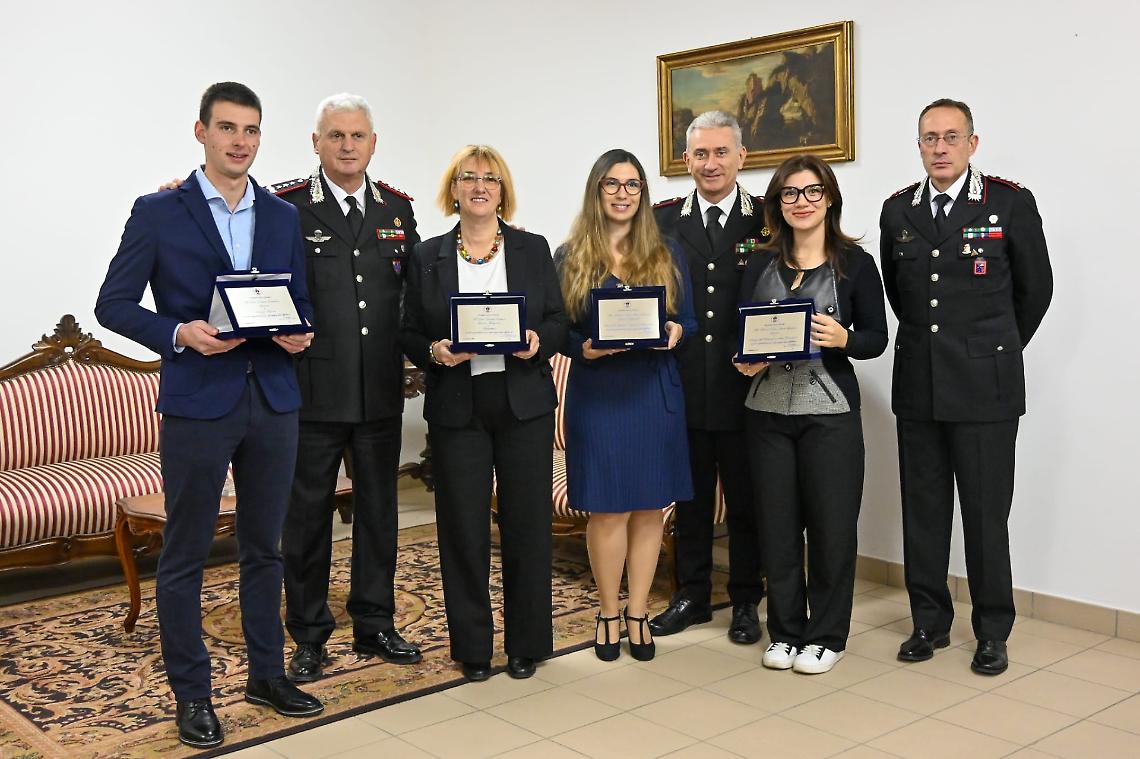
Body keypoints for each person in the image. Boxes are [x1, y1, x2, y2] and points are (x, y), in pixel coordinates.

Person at [95, 82, 322, 749]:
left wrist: (299, 332)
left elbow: (301, 304)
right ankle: (192, 695)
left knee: (265, 548)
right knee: (187, 554)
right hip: (198, 399)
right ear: (201, 132)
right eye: (227, 128)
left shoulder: (281, 216)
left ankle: (267, 675)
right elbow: (114, 304)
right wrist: (178, 333)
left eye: (251, 130)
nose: (240, 141)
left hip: (274, 397)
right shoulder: (160, 210)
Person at [880, 98, 1052, 675]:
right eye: (929, 138)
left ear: (972, 144)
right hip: (920, 387)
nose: (940, 148)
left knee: (984, 515)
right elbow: (902, 299)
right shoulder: (897, 211)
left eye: (951, 137)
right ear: (919, 144)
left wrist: (993, 349)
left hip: (986, 388)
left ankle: (992, 630)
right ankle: (928, 622)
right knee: (923, 511)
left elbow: (1035, 291)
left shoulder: (1008, 202)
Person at [399, 145, 568, 682]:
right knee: (463, 530)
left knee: (527, 527)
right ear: (453, 190)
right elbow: (407, 329)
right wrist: (434, 351)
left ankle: (527, 643)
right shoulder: (426, 256)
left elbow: (560, 320)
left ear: (503, 191)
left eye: (490, 179)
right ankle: (472, 648)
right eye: (468, 178)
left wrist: (538, 340)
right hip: (457, 406)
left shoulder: (533, 248)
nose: (479, 186)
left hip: (523, 404)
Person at [271, 94, 422, 681]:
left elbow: (415, 295)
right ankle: (308, 633)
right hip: (313, 391)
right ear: (316, 143)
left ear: (373, 142)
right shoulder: (287, 207)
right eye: (335, 136)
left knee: (380, 513)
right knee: (306, 518)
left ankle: (375, 621)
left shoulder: (397, 209)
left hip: (381, 389)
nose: (347, 146)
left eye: (357, 136)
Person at [737, 155, 887, 674]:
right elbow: (741, 339)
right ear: (777, 204)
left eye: (811, 191)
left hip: (830, 414)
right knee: (776, 526)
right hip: (766, 413)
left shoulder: (856, 264)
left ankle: (827, 635)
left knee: (831, 526)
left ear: (829, 198)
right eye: (790, 193)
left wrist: (844, 338)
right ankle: (784, 631)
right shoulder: (758, 264)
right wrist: (744, 359)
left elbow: (877, 338)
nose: (801, 202)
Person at [556, 149, 696, 662]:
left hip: (654, 394)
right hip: (600, 396)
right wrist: (583, 348)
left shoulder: (668, 252)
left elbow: (692, 322)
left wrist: (678, 331)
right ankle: (608, 611)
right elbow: (558, 329)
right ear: (596, 192)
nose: (622, 193)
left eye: (632, 185)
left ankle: (638, 612)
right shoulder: (569, 255)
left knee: (649, 509)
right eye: (611, 184)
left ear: (642, 194)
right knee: (608, 509)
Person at [652, 111, 767, 645]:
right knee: (691, 501)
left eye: (721, 152)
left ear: (741, 157)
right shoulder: (662, 220)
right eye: (700, 153)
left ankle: (746, 601)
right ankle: (692, 595)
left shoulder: (768, 218)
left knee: (748, 503)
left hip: (749, 389)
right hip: (683, 385)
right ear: (686, 161)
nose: (711, 163)